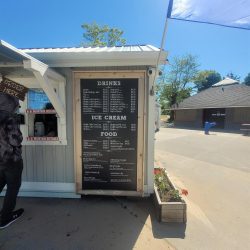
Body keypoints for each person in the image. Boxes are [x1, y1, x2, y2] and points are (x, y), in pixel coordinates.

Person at [0, 92, 24, 229]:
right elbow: (16, 140)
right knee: (12, 189)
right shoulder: (9, 118)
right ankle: (5, 218)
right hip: (11, 160)